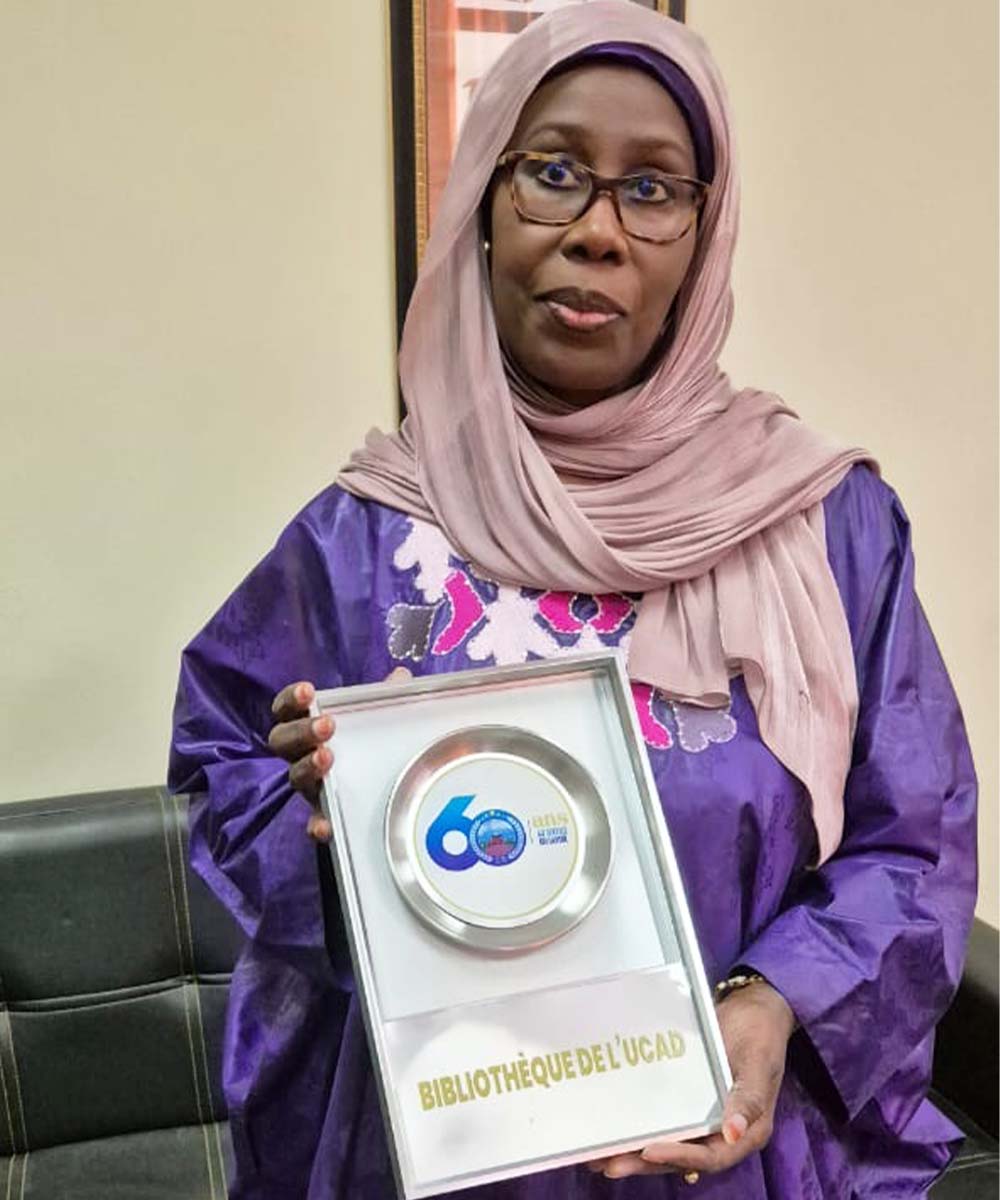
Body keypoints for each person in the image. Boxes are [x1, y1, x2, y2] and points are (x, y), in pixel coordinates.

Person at [169, 3, 978, 1196]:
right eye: (552, 173)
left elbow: (913, 837)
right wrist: (320, 840)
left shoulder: (825, 527)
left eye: (651, 190)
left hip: (726, 1160)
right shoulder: (365, 537)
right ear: (483, 209)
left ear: (704, 237)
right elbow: (224, 762)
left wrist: (772, 1003)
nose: (598, 232)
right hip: (431, 1156)